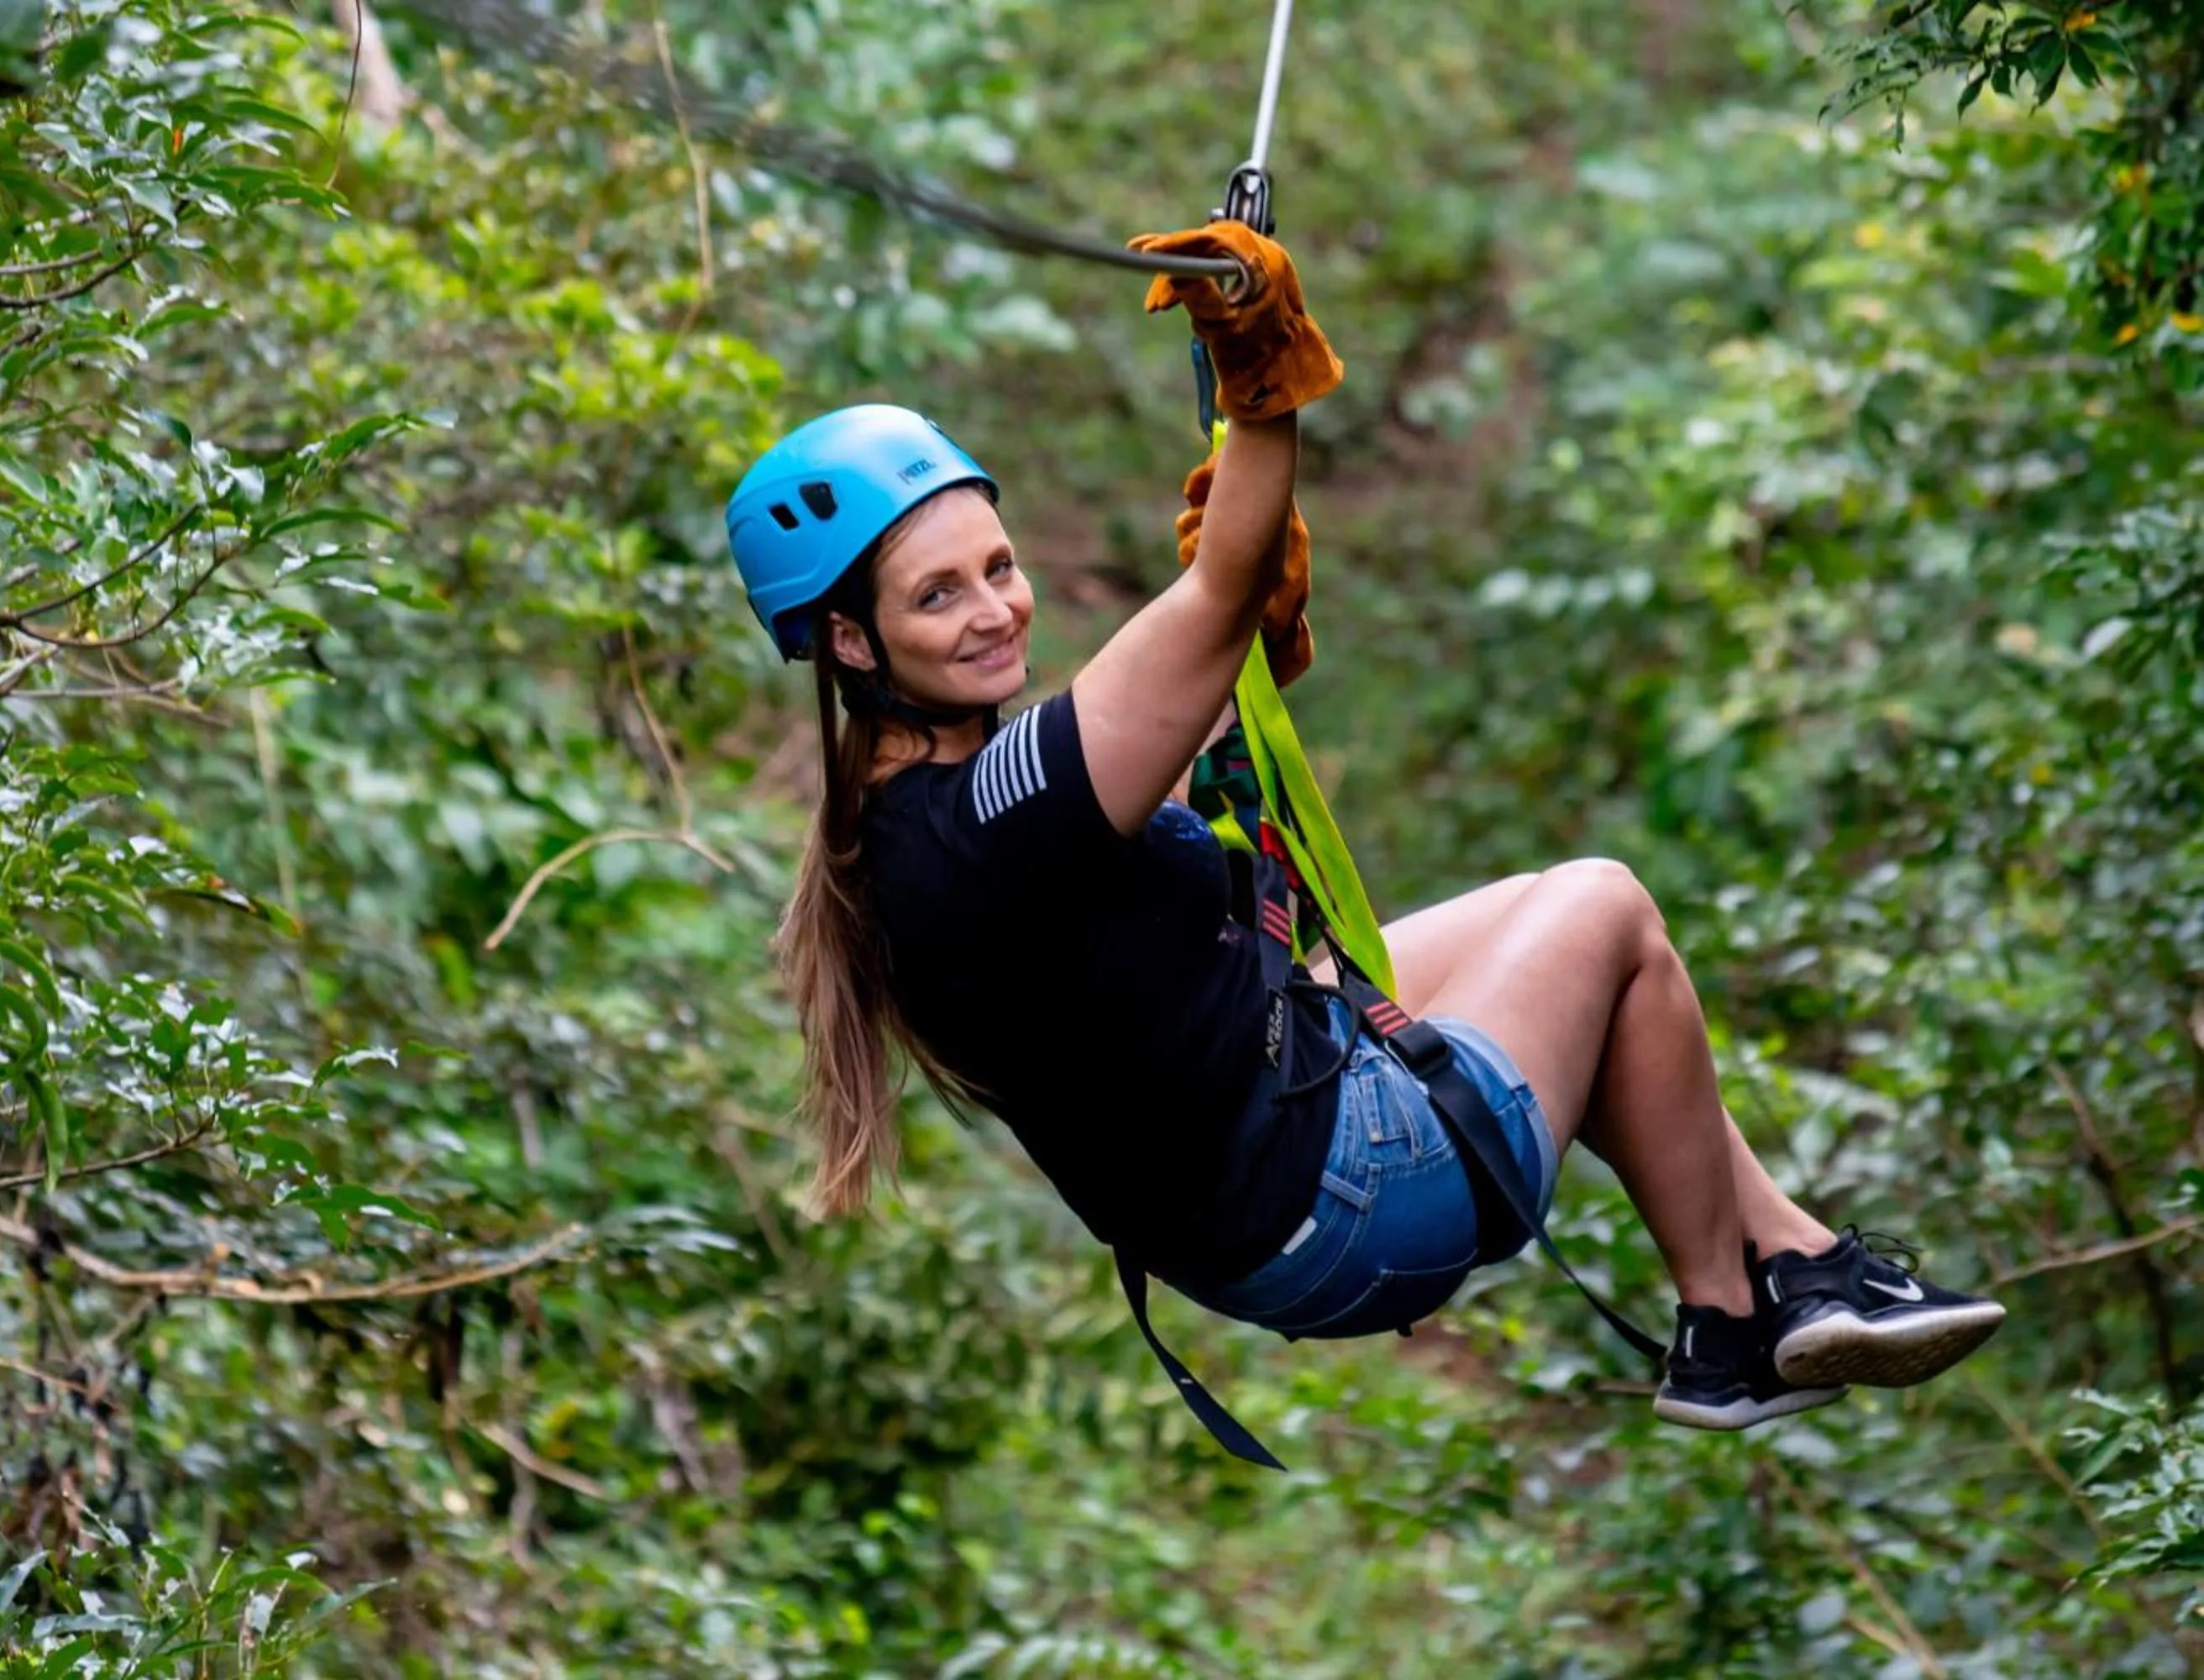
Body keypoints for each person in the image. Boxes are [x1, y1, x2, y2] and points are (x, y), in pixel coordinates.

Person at [724, 219, 2004, 1441]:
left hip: (1265, 1198)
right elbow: (1214, 598)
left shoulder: (910, 827)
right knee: (1607, 905)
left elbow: (1160, 778)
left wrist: (1231, 638)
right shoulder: (992, 809)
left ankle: (1798, 1266)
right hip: (1345, 1200)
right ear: (848, 642)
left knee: (1579, 946)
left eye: (998, 568)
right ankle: (1729, 1322)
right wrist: (1255, 380)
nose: (995, 610)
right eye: (938, 595)